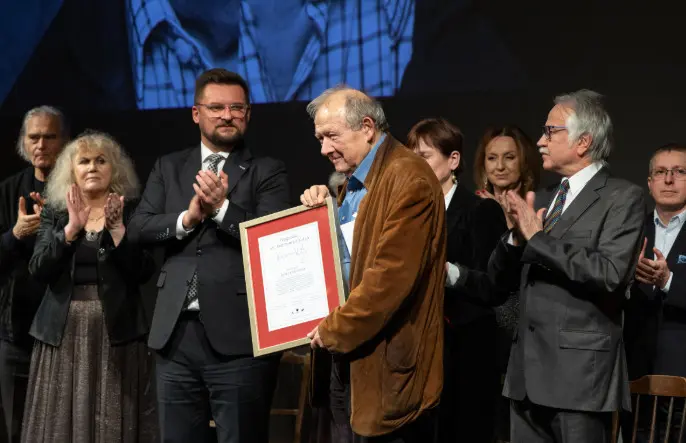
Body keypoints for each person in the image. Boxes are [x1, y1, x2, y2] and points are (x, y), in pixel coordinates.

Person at [127, 68, 291, 443]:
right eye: (216, 107)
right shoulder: (169, 167)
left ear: (248, 114)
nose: (227, 115)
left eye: (236, 108)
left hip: (239, 338)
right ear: (196, 113)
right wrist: (188, 218)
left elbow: (273, 238)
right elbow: (138, 228)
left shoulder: (267, 170)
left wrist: (220, 209)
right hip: (175, 336)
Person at [488, 89, 645, 443]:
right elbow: (498, 280)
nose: (541, 142)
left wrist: (538, 238)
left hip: (579, 378)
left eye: (550, 132)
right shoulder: (542, 198)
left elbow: (610, 274)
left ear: (583, 142)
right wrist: (515, 238)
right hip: (525, 376)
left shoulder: (622, 197)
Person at [301, 86, 446, 442]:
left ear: (366, 127)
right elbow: (349, 259)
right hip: (348, 358)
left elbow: (389, 280)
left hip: (384, 365)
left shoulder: (408, 177)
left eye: (331, 136)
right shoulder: (355, 181)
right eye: (320, 138)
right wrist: (321, 214)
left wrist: (333, 328)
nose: (323, 149)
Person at [22, 132, 156, 443]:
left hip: (117, 334)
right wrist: (69, 231)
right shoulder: (56, 213)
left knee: (111, 419)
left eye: (100, 160)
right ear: (72, 170)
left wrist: (119, 231)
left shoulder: (132, 211)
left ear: (115, 169)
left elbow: (143, 271)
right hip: (62, 333)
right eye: (84, 161)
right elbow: (38, 269)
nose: (92, 167)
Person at [407, 117, 507, 442]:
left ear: (453, 160)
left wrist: (447, 272)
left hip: (465, 354)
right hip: (417, 352)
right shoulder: (406, 213)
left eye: (425, 156)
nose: (415, 165)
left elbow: (492, 286)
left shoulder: (480, 211)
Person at [0, 106, 67, 443]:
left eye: (49, 136)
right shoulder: (7, 191)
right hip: (17, 332)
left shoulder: (79, 191)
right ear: (23, 143)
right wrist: (15, 234)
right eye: (34, 137)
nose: (41, 144)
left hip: (67, 332)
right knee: (16, 429)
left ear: (64, 141)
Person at [471, 124, 541, 440]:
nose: (500, 166)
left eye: (509, 157)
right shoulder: (472, 208)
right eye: (492, 158)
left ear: (523, 162)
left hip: (524, 323)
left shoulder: (540, 206)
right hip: (482, 324)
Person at [624, 144, 686, 441]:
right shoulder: (629, 230)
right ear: (649, 183)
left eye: (679, 172)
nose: (669, 180)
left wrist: (669, 281)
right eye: (661, 172)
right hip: (635, 376)